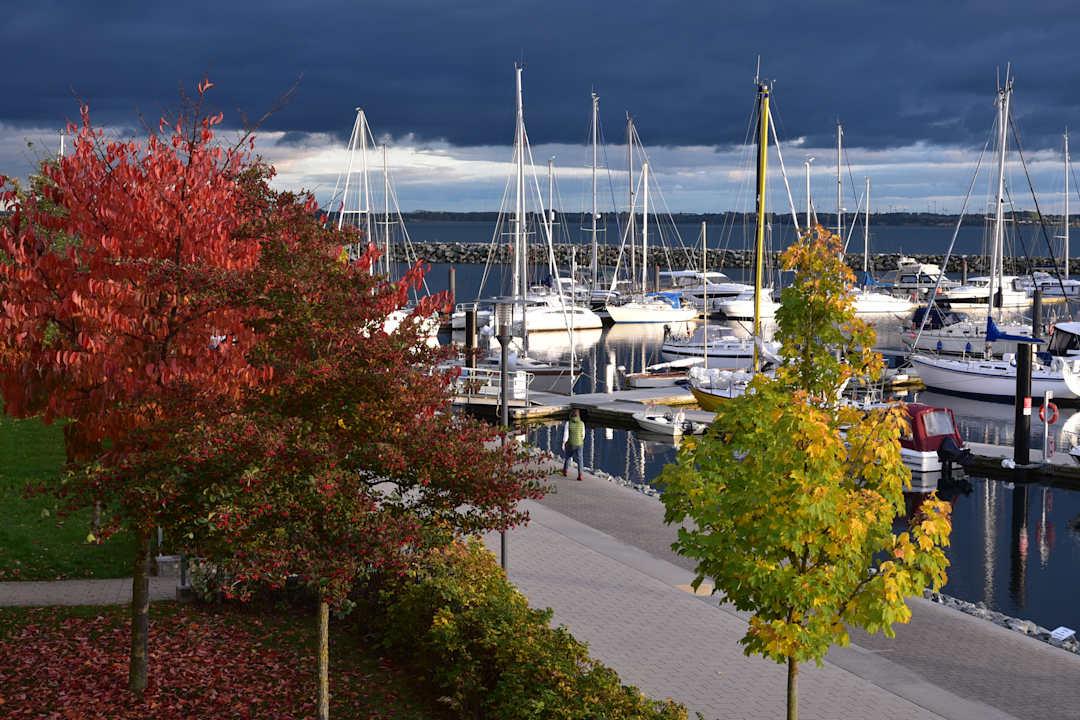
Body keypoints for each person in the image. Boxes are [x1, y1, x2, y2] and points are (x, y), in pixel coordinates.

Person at [561, 408, 585, 480]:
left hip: (570, 443)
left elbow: (566, 435)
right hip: (579, 444)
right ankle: (580, 474)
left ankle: (565, 471)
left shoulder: (568, 423)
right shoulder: (582, 423)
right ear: (578, 415)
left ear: (571, 415)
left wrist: (563, 443)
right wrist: (580, 440)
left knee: (568, 457)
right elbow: (583, 435)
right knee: (580, 459)